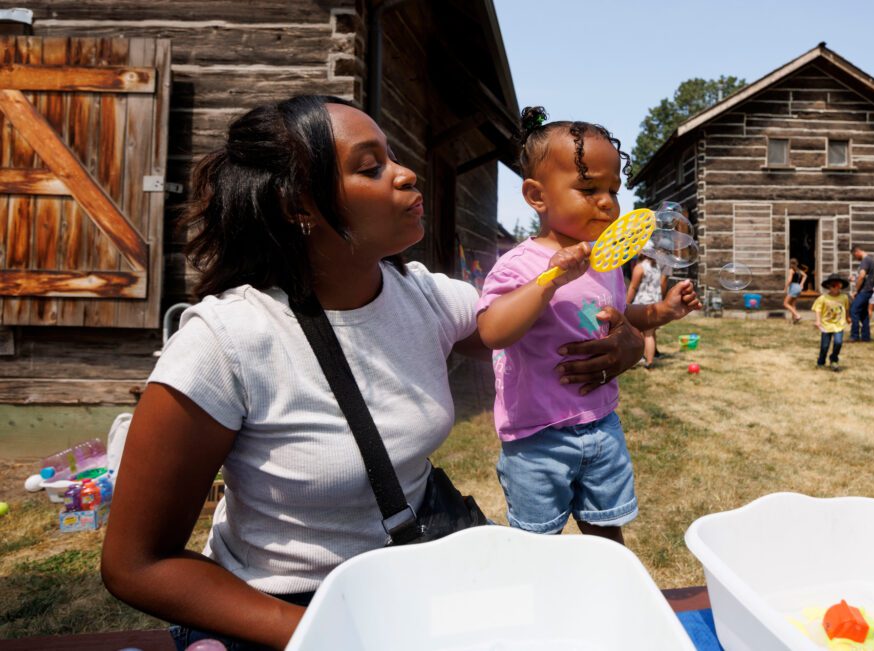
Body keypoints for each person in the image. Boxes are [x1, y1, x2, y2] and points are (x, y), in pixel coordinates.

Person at [100, 96, 645, 651]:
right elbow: (137, 563)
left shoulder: (427, 299)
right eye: (371, 166)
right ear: (299, 205)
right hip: (289, 606)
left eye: (393, 156)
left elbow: (528, 334)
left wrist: (625, 341)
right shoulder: (227, 341)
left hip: (416, 575)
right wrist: (329, 636)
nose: (407, 174)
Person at [475, 106, 701, 545]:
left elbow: (617, 313)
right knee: (538, 543)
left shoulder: (607, 262)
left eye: (613, 190)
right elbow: (493, 331)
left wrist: (664, 312)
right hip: (537, 438)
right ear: (537, 196)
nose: (607, 202)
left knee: (606, 534)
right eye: (588, 187)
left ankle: (607, 595)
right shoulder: (521, 264)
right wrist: (550, 281)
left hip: (600, 424)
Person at [626, 249, 668, 368]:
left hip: (643, 304)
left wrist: (626, 303)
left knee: (640, 333)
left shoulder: (640, 267)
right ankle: (649, 359)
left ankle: (645, 360)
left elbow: (633, 287)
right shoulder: (656, 267)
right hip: (655, 302)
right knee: (650, 333)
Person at [813, 273, 852, 372]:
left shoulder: (844, 297)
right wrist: (817, 320)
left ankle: (834, 359)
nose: (835, 288)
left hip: (839, 325)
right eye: (833, 285)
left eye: (838, 285)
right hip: (826, 325)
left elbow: (846, 308)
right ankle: (821, 362)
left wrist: (847, 318)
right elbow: (817, 309)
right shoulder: (823, 298)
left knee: (838, 342)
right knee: (825, 345)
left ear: (841, 286)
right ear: (829, 287)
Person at [849, 244, 874, 342]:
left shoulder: (865, 261)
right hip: (868, 290)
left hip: (864, 290)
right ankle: (866, 337)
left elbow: (862, 276)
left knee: (854, 310)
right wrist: (855, 279)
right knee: (864, 313)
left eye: (854, 256)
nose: (855, 258)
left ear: (857, 252)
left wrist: (856, 290)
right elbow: (864, 277)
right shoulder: (870, 260)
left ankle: (854, 336)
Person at [783, 258, 807, 324]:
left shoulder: (791, 270)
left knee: (785, 303)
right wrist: (802, 284)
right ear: (797, 263)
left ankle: (797, 315)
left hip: (793, 287)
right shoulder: (798, 270)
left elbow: (790, 280)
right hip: (798, 287)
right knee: (793, 304)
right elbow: (805, 275)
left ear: (790, 263)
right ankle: (794, 320)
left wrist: (785, 287)